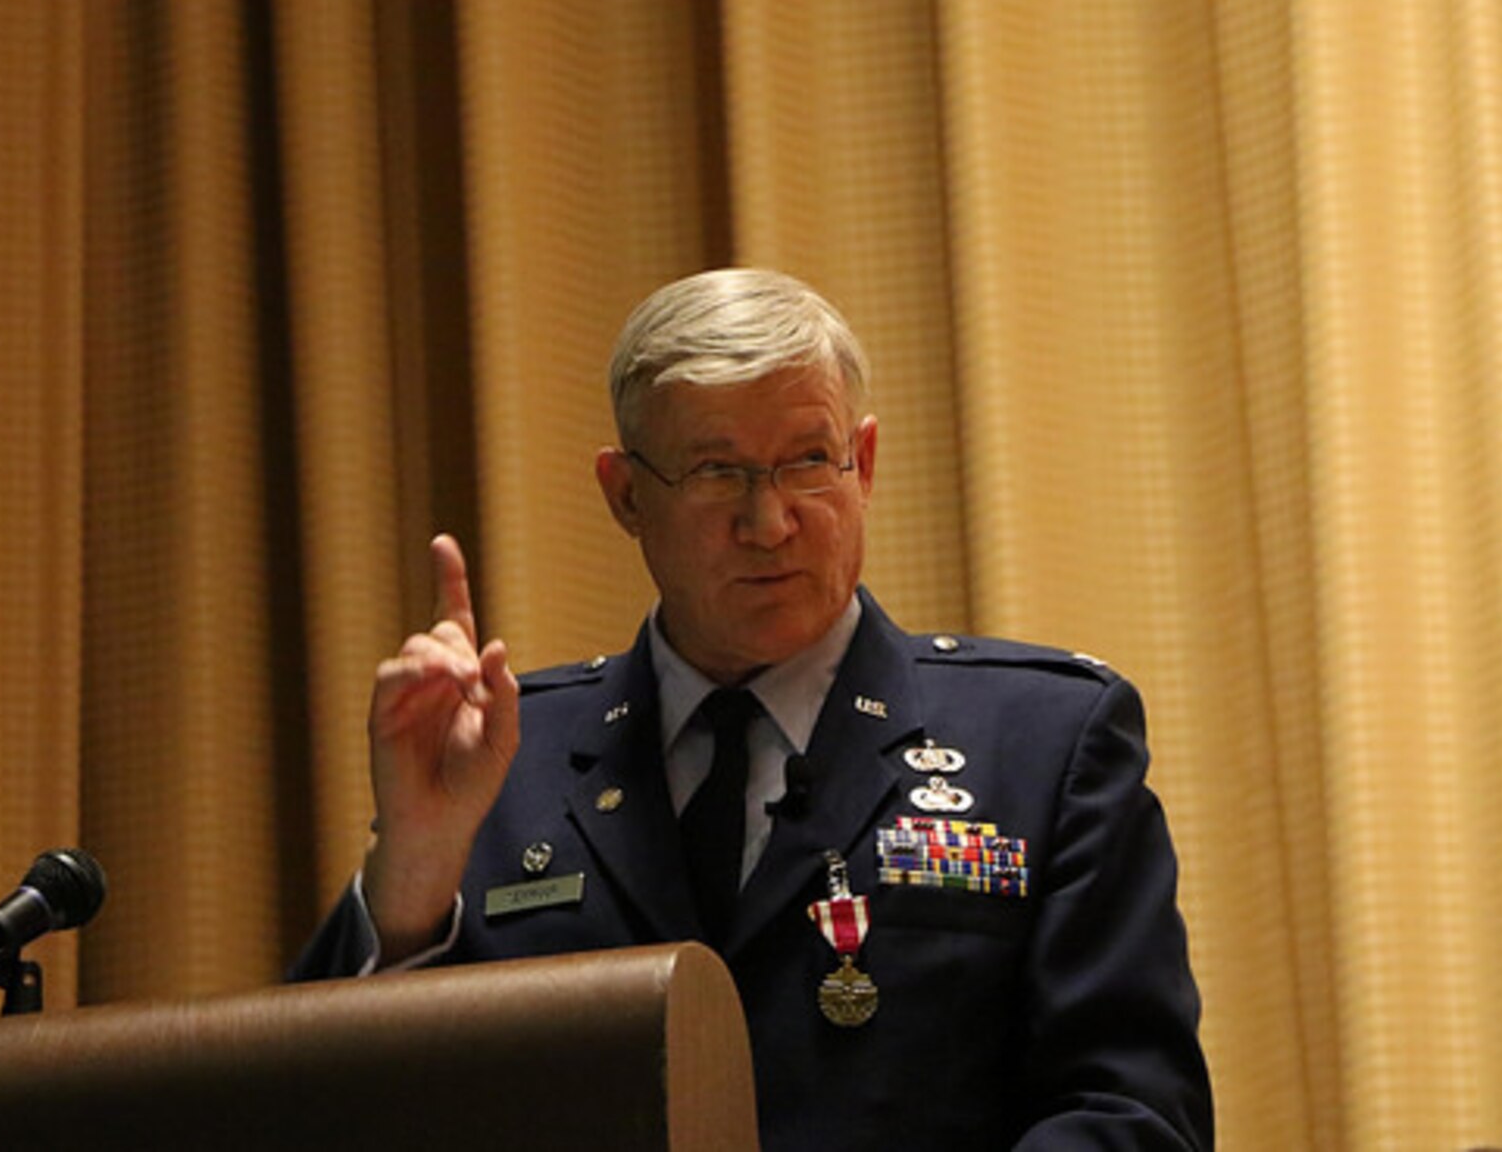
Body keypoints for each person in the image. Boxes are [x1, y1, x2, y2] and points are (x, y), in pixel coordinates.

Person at [292, 269, 1212, 1149]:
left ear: (866, 462)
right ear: (625, 497)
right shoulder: (499, 758)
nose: (768, 522)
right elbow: (309, 1113)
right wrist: (411, 872)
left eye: (809, 461)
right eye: (715, 471)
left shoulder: (1043, 746)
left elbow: (1133, 1113)